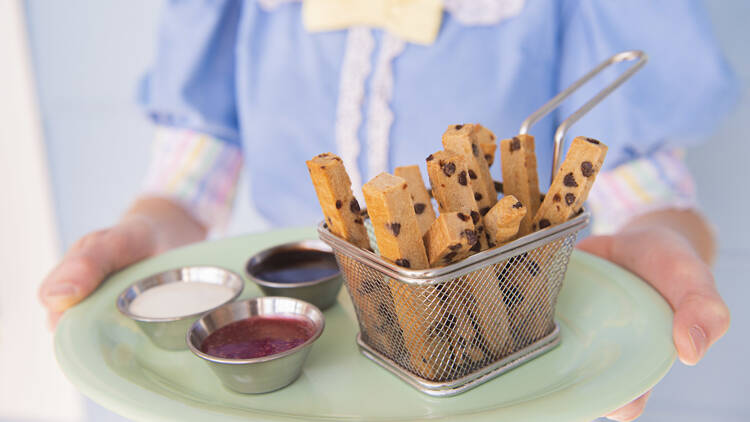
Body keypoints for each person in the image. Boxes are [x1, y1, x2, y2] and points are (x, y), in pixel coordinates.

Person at [39, 1, 735, 420]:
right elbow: (193, 169)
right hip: (307, 373)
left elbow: (637, 178)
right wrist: (147, 230)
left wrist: (660, 237)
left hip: (495, 378)